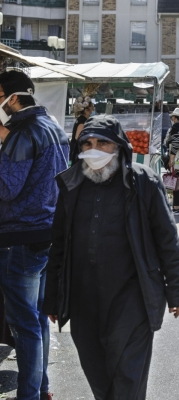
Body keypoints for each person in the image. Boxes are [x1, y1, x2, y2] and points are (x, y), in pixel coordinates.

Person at [43, 114, 179, 399]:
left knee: (128, 378)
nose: (93, 149)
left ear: (119, 147)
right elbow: (58, 245)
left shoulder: (143, 182)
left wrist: (177, 291)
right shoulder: (71, 184)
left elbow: (167, 239)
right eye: (87, 143)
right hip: (84, 298)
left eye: (102, 143)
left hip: (131, 296)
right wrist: (52, 297)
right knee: (98, 375)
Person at [0, 70, 69, 400]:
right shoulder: (53, 126)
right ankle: (40, 390)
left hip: (21, 236)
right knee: (37, 318)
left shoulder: (24, 131)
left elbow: (6, 187)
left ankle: (29, 395)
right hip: (46, 231)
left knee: (24, 323)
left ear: (12, 98)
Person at [69, 96, 94, 165]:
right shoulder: (82, 121)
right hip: (77, 149)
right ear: (86, 110)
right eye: (91, 109)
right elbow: (77, 137)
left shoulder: (82, 119)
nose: (92, 109)